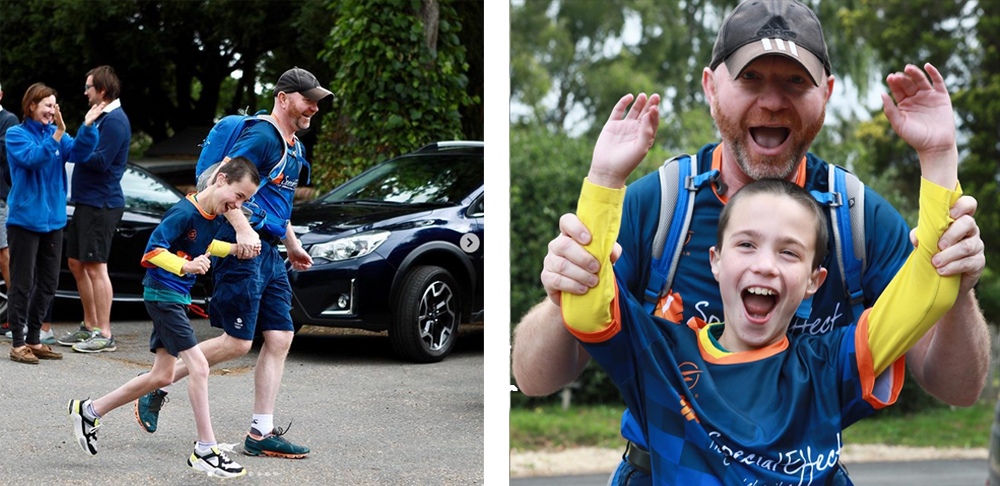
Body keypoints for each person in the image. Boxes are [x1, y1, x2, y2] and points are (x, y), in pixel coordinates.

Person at [511, 1, 989, 483]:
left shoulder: (858, 224)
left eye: (794, 82)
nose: (773, 101)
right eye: (751, 78)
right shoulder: (657, 216)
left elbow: (954, 377)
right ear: (710, 86)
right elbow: (539, 373)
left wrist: (941, 167)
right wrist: (577, 259)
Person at [134, 67, 329, 458]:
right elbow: (222, 185)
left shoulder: (295, 147)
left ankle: (260, 432)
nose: (313, 108)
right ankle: (158, 381)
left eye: (317, 101)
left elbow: (279, 204)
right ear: (283, 97)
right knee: (238, 343)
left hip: (270, 251)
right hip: (242, 251)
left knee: (280, 337)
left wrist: (291, 244)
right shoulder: (261, 136)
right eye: (307, 99)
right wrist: (241, 228)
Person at [68, 158, 260, 477]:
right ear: (221, 179)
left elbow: (202, 243)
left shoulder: (212, 214)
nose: (238, 205)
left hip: (176, 297)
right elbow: (152, 252)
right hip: (163, 295)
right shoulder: (183, 211)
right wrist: (186, 267)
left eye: (244, 201)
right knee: (198, 365)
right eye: (238, 196)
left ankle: (89, 410)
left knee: (161, 377)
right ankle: (205, 450)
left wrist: (234, 250)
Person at [4, 82, 104, 364]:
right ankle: (19, 342)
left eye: (54, 105)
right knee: (23, 283)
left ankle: (35, 340)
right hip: (24, 221)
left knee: (48, 283)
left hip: (54, 222)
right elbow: (33, 159)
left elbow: (82, 154)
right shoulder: (16, 134)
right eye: (47, 105)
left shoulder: (57, 135)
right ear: (31, 106)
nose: (52, 110)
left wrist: (87, 127)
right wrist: (58, 133)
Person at [54, 66, 132, 353]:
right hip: (86, 202)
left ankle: (105, 333)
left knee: (97, 266)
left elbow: (100, 162)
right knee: (76, 263)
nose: (85, 91)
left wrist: (74, 148)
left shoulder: (115, 121)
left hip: (103, 203)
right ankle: (89, 326)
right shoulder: (100, 118)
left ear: (102, 90)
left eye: (89, 87)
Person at [0, 81, 19, 337]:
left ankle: (17, 315)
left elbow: (5, 154)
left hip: (1, 197)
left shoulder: (9, 120)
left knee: (4, 253)